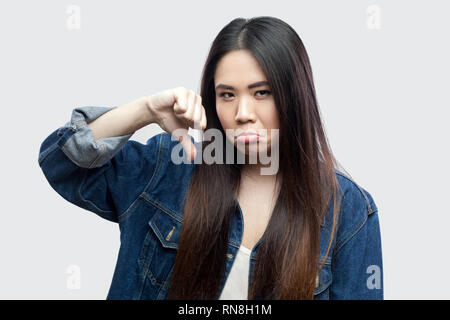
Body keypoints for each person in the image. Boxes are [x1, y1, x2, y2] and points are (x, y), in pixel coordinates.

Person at [38, 16, 383, 300]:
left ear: (295, 96)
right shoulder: (171, 165)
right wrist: (144, 110)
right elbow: (62, 163)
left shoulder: (350, 212)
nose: (243, 112)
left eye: (262, 92)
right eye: (227, 95)